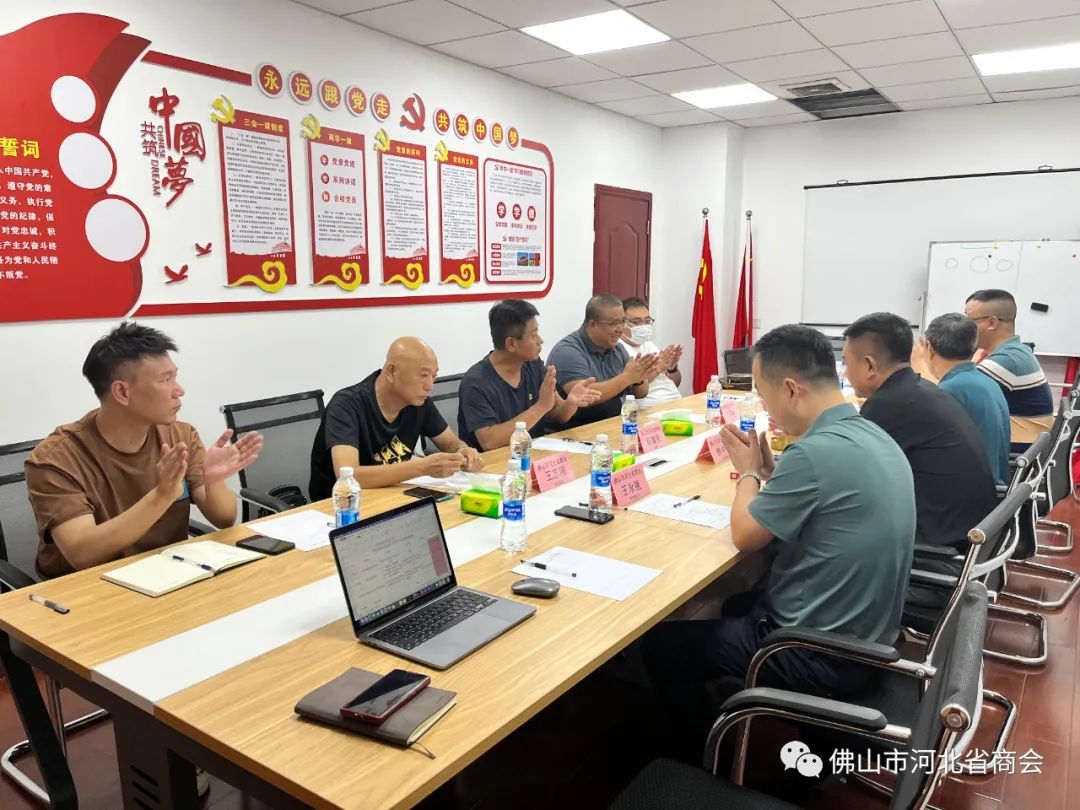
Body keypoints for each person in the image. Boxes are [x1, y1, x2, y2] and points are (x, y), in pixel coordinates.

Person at [641, 324, 915, 757]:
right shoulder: (870, 433)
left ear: (790, 389)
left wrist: (749, 472)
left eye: (765, 397)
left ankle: (704, 761)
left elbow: (745, 536)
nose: (767, 408)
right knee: (735, 602)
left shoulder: (814, 452)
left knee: (660, 646)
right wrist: (772, 473)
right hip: (872, 635)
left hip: (817, 651)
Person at [26, 322, 263, 579]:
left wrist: (214, 480)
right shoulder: (55, 459)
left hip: (167, 573)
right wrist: (162, 495)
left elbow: (224, 519)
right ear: (122, 392)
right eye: (165, 379)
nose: (179, 390)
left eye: (175, 376)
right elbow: (83, 554)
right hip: (86, 588)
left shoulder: (181, 436)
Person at [843, 312, 998, 556]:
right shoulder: (920, 390)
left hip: (941, 545)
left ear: (870, 365)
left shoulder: (889, 405)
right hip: (972, 532)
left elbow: (849, 479)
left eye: (846, 363)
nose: (845, 373)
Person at [309, 337, 483, 498]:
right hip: (341, 506)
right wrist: (422, 467)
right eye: (423, 375)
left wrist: (463, 452)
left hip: (393, 497)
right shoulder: (346, 405)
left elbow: (450, 443)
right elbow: (349, 475)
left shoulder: (418, 402)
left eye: (433, 376)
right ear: (391, 372)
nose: (430, 386)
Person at [457, 300, 602, 451]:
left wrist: (571, 403)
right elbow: (490, 442)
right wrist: (541, 407)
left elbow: (558, 414)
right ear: (511, 344)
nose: (540, 341)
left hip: (534, 457)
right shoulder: (475, 383)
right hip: (494, 462)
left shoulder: (533, 365)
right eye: (534, 335)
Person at [546, 294, 669, 428]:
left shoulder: (617, 348)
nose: (620, 329)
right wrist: (627, 377)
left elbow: (640, 394)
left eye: (622, 322)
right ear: (593, 324)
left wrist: (638, 379)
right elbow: (586, 395)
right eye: (613, 323)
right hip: (575, 429)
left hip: (612, 424)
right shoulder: (567, 352)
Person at [916, 313, 1011, 484]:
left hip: (973, 488)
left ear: (929, 348)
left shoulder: (950, 391)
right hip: (995, 483)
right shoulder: (985, 381)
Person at [964, 289, 1055, 443]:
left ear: (992, 323)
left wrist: (924, 361)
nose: (963, 327)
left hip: (1018, 451)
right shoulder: (1012, 350)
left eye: (969, 320)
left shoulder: (1008, 360)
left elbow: (951, 398)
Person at [618, 296, 683, 409]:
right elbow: (628, 385)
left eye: (647, 321)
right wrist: (658, 369)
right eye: (636, 322)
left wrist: (671, 369)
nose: (643, 326)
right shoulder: (618, 348)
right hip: (647, 408)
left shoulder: (649, 345)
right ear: (622, 323)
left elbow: (676, 382)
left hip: (674, 401)